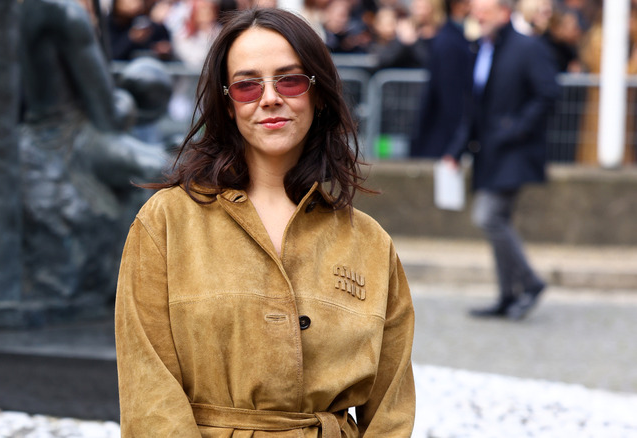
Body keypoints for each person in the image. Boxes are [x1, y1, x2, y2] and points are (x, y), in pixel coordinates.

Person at [114, 7, 416, 436]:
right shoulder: (166, 222)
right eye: (246, 85)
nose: (270, 97)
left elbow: (392, 408)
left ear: (318, 92)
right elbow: (149, 393)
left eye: (290, 80)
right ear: (227, 101)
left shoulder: (370, 242)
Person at [443, 0, 560, 320]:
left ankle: (530, 283)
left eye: (486, 10)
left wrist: (516, 129)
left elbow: (547, 93)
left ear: (505, 13)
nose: (478, 15)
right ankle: (508, 295)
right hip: (490, 152)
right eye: (476, 10)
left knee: (489, 217)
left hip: (515, 153)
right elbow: (475, 111)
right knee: (498, 220)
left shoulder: (527, 48)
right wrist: (457, 150)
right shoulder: (481, 49)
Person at [411, 0, 473, 158]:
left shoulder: (450, 40)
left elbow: (451, 100)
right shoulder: (450, 40)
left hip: (441, 141)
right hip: (441, 141)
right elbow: (450, 99)